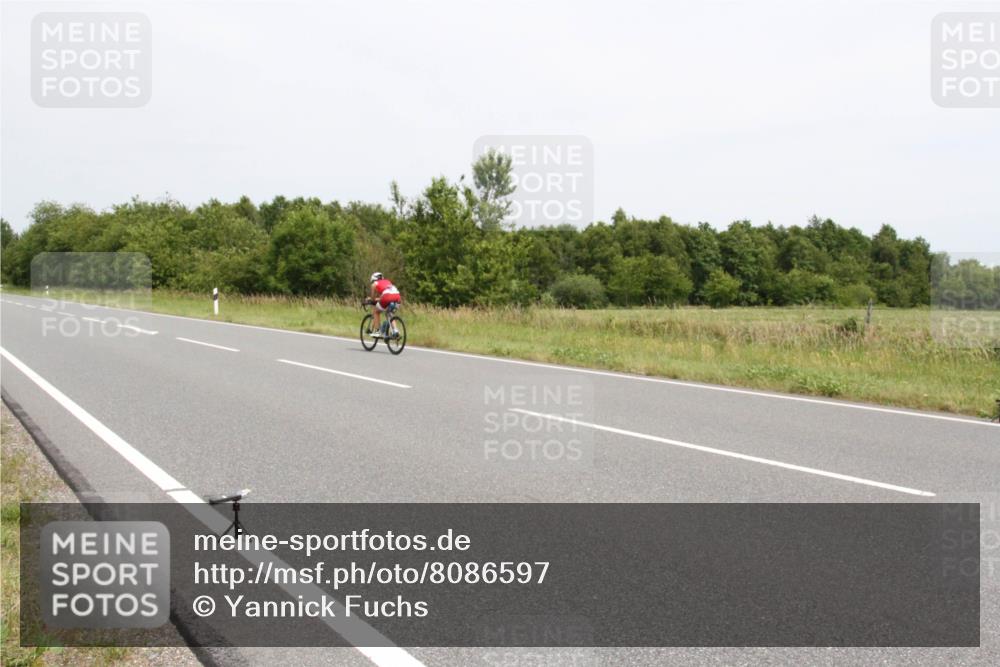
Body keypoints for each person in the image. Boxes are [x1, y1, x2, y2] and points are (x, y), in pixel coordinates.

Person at [367, 272, 401, 337]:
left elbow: (373, 299)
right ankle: (395, 330)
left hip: (387, 297)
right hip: (397, 297)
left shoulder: (374, 284)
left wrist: (370, 300)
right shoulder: (388, 281)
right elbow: (384, 296)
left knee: (376, 311)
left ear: (373, 279)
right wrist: (378, 299)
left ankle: (378, 331)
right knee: (389, 314)